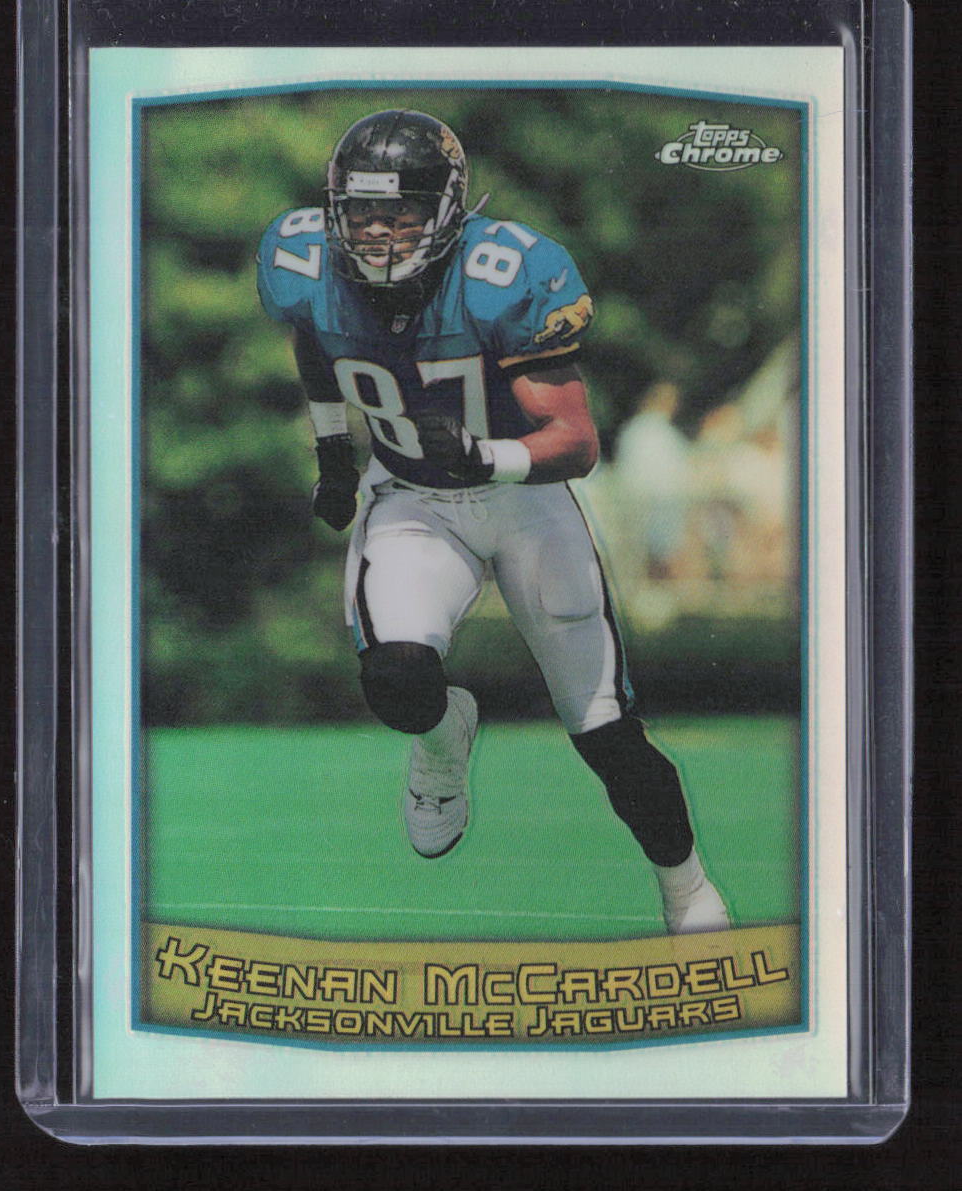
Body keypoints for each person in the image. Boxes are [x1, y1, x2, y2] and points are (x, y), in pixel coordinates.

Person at [257, 109, 728, 934]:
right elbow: (314, 336)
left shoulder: (504, 273)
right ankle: (443, 740)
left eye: (401, 212)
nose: (378, 232)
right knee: (396, 675)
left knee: (604, 731)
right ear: (335, 208)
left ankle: (686, 890)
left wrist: (487, 455)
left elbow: (575, 442)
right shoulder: (304, 264)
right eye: (362, 211)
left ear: (446, 210)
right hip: (411, 496)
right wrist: (333, 452)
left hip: (523, 497)